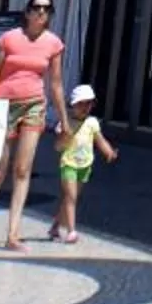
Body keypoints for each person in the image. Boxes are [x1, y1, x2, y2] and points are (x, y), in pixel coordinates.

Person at [0, 0, 68, 251]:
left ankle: (12, 235)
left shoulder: (54, 44)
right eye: (37, 8)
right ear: (27, 12)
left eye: (47, 9)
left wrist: (64, 121)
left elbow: (57, 84)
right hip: (3, 105)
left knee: (22, 170)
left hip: (34, 105)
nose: (42, 12)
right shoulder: (9, 39)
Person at [51, 84, 117, 244]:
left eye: (88, 103)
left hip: (85, 165)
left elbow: (99, 139)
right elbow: (58, 146)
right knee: (71, 197)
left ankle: (55, 225)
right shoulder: (66, 122)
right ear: (72, 105)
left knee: (71, 198)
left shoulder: (92, 122)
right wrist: (64, 137)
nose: (85, 107)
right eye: (81, 103)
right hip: (69, 164)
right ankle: (72, 231)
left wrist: (108, 152)